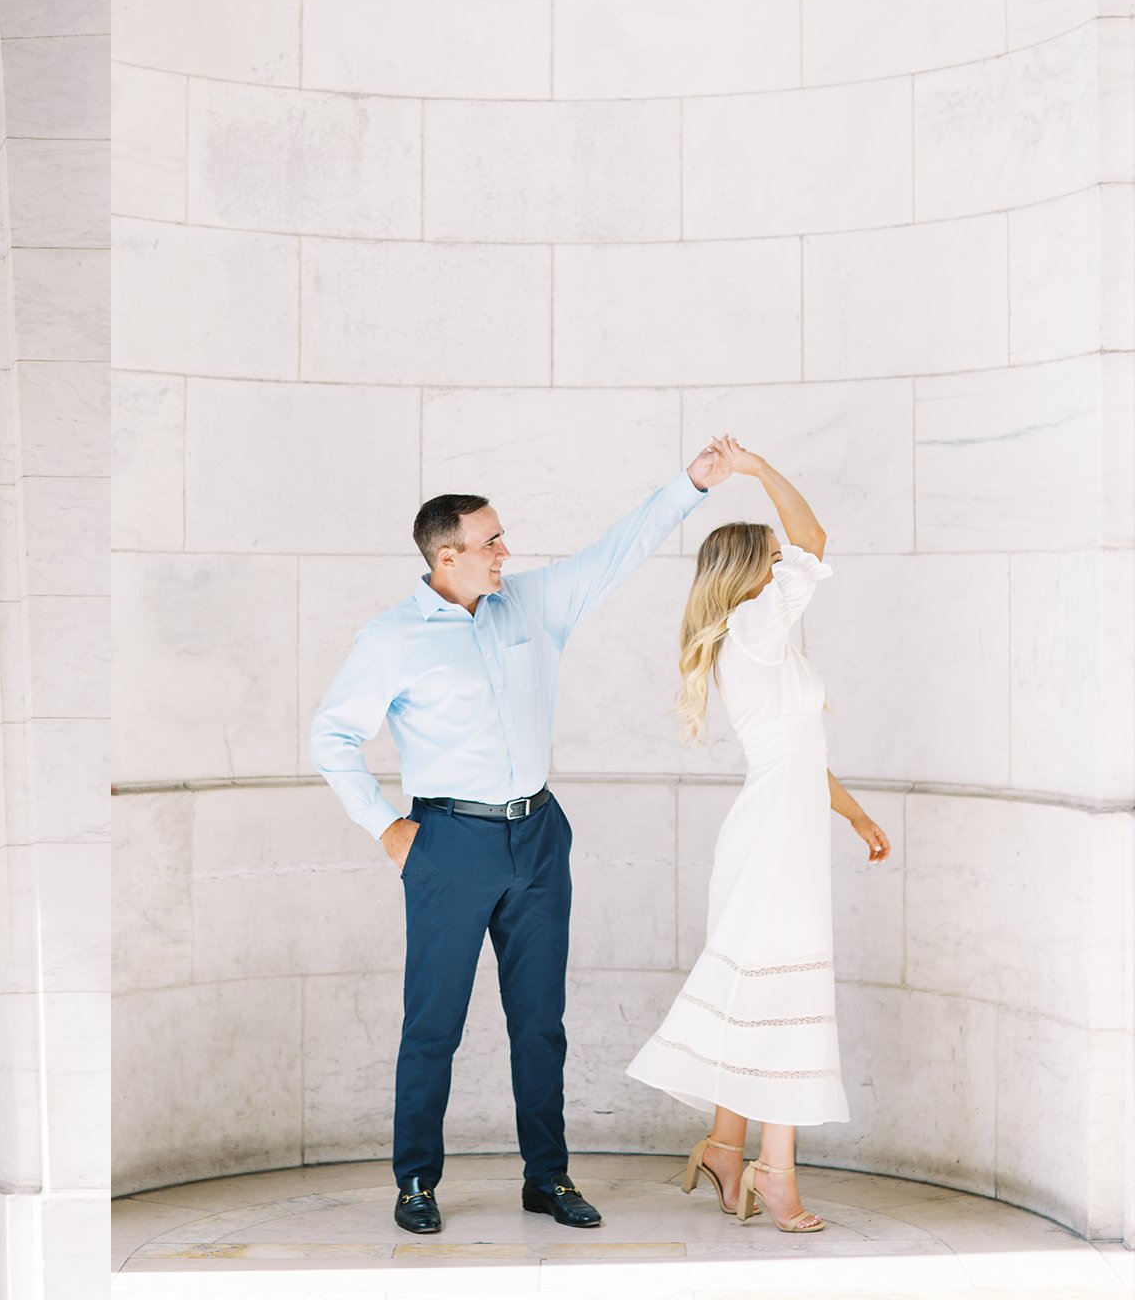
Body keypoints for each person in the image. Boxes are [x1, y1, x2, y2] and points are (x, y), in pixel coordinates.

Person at [311, 442, 733, 1237]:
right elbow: (330, 737)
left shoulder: (533, 603)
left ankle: (548, 1176)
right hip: (447, 843)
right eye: (491, 541)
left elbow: (618, 549)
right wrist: (388, 828)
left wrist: (692, 484)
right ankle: (415, 1183)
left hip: (537, 837)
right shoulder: (392, 638)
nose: (507, 552)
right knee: (432, 1020)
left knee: (540, 1019)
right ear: (447, 555)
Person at [626, 438, 890, 1234]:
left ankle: (725, 1147)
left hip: (785, 817)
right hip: (776, 829)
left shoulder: (757, 635)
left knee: (764, 987)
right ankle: (777, 1175)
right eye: (773, 557)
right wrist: (760, 469)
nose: (788, 565)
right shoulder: (755, 624)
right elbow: (815, 542)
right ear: (753, 570)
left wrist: (855, 814)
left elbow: (799, 753)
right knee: (784, 987)